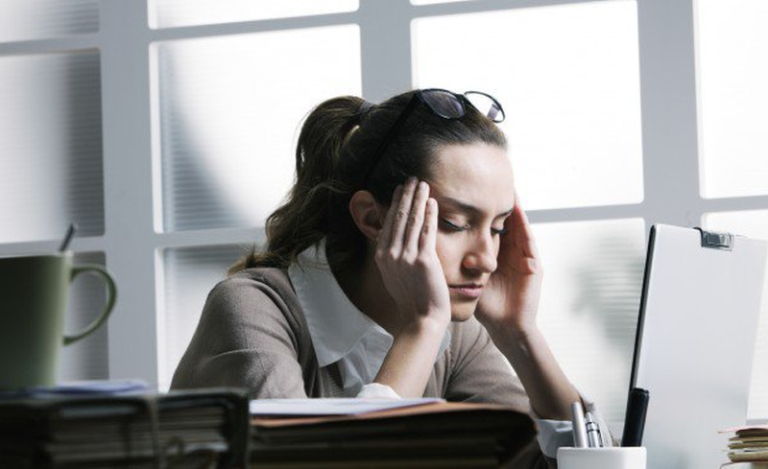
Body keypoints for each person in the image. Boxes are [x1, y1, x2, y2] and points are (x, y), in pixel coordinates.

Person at [171, 89, 610, 467]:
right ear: (373, 218)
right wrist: (422, 327)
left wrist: (521, 337)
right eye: (456, 224)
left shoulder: (457, 338)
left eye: (497, 229)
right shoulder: (252, 310)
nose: (487, 260)